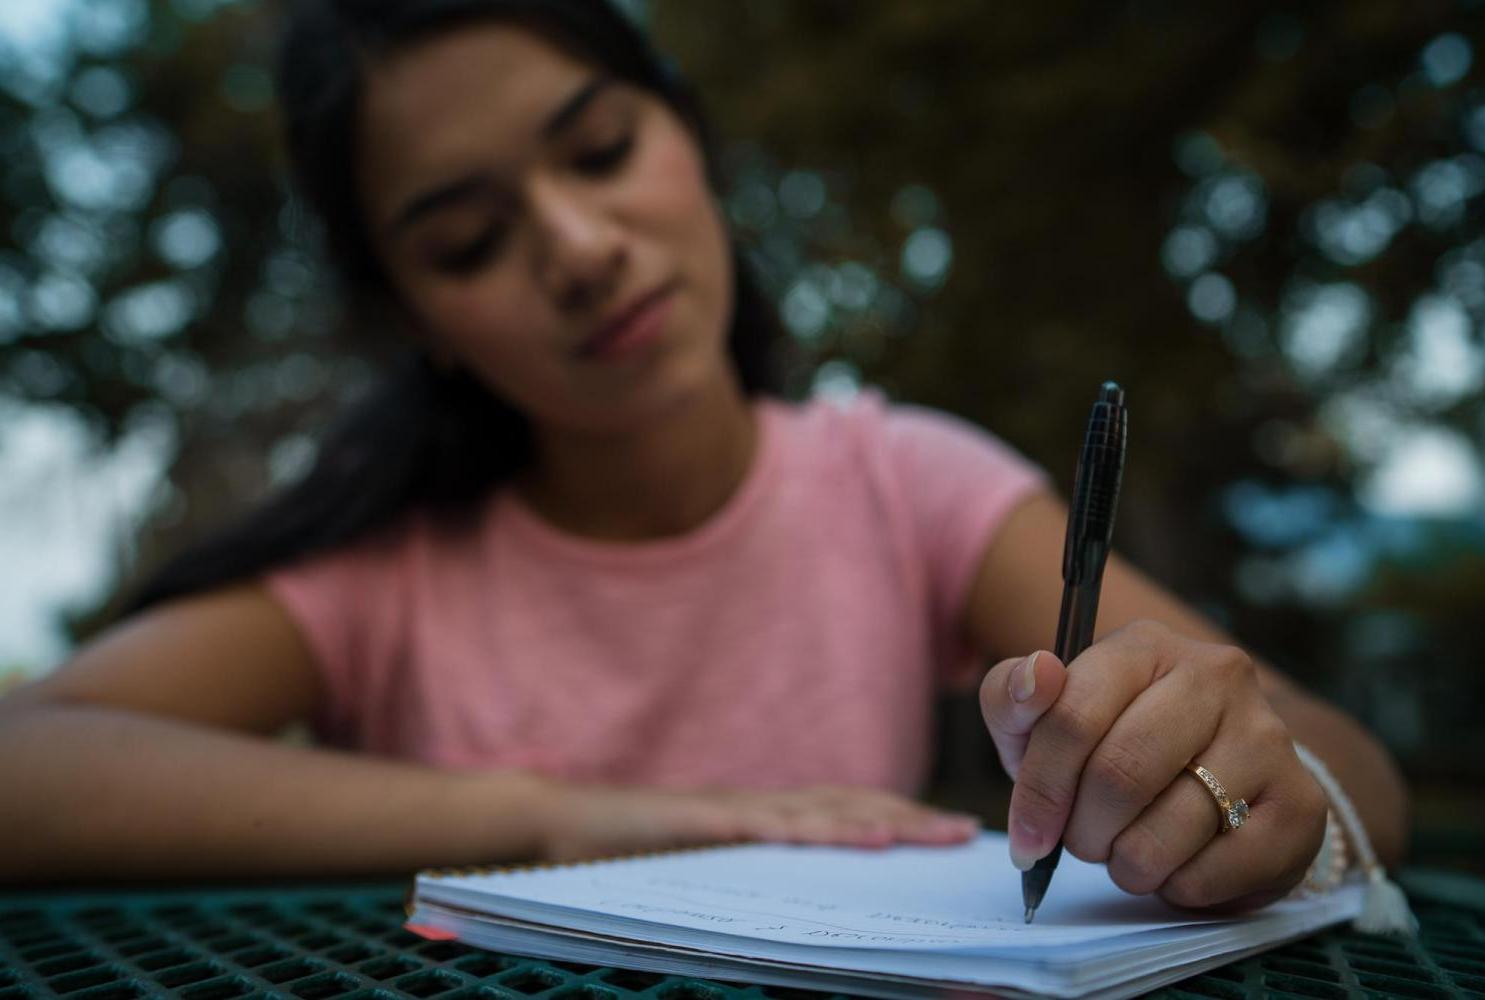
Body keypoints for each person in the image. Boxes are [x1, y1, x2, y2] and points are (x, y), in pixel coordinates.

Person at [0, 0, 1406, 916]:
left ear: (689, 138)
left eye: (601, 151)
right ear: (413, 317)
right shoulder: (391, 570)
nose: (579, 247)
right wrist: (560, 820)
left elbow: (1356, 780)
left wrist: (1250, 786)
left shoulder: (899, 486)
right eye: (468, 241)